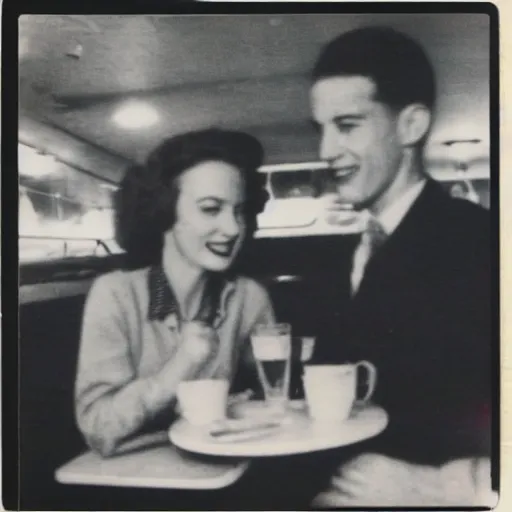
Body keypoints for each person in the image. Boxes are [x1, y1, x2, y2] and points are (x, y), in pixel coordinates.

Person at [303, 26, 494, 507]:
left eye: (347, 125)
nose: (326, 151)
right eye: (320, 129)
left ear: (411, 126)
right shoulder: (346, 254)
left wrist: (441, 487)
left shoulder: (483, 242)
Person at [74, 128, 274, 457]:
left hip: (221, 473)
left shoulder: (249, 298)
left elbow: (269, 396)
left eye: (238, 210)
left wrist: (242, 402)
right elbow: (97, 428)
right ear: (164, 210)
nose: (234, 228)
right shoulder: (115, 295)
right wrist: (178, 369)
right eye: (211, 209)